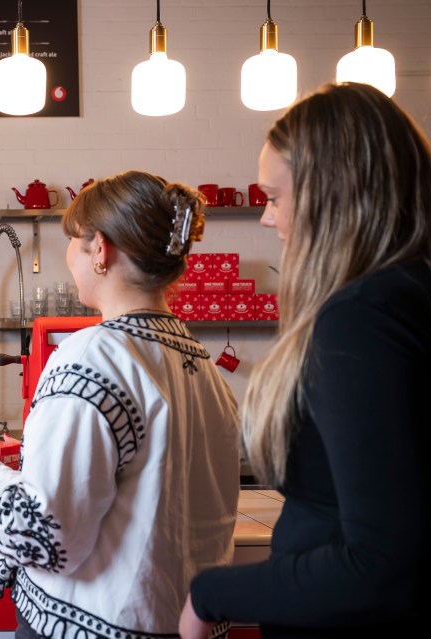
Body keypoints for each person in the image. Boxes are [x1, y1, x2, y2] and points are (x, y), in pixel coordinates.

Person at [0, 172, 241, 639]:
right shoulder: (201, 363)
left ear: (100, 249)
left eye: (73, 241)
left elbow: (45, 534)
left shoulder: (88, 355)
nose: (69, 256)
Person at [179, 82, 431, 639]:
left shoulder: (362, 318)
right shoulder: (409, 294)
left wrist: (209, 595)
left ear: (331, 194)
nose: (267, 219)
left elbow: (381, 565)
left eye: (273, 196)